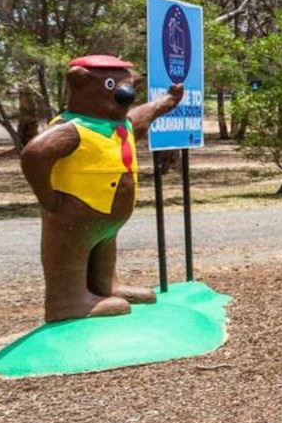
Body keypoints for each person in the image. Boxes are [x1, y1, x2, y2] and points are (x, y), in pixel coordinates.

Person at [20, 55, 184, 321]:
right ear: (82, 81)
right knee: (70, 250)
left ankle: (105, 285)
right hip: (74, 211)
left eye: (127, 84)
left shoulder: (120, 124)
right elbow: (34, 155)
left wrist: (167, 102)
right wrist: (48, 199)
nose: (125, 92)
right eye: (112, 84)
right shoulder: (73, 129)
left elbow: (143, 115)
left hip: (106, 217)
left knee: (103, 245)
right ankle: (67, 300)